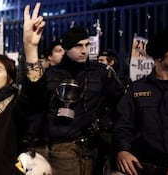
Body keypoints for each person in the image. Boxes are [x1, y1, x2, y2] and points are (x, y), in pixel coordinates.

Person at [22, 3, 124, 175]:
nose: (84, 51)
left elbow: (120, 104)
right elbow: (35, 103)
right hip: (58, 147)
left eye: (87, 45)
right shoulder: (52, 74)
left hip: (92, 148)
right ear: (66, 48)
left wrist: (105, 126)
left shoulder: (100, 73)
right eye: (78, 46)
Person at [113, 29, 168, 175]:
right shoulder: (137, 89)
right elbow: (123, 126)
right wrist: (122, 151)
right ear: (159, 56)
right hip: (146, 167)